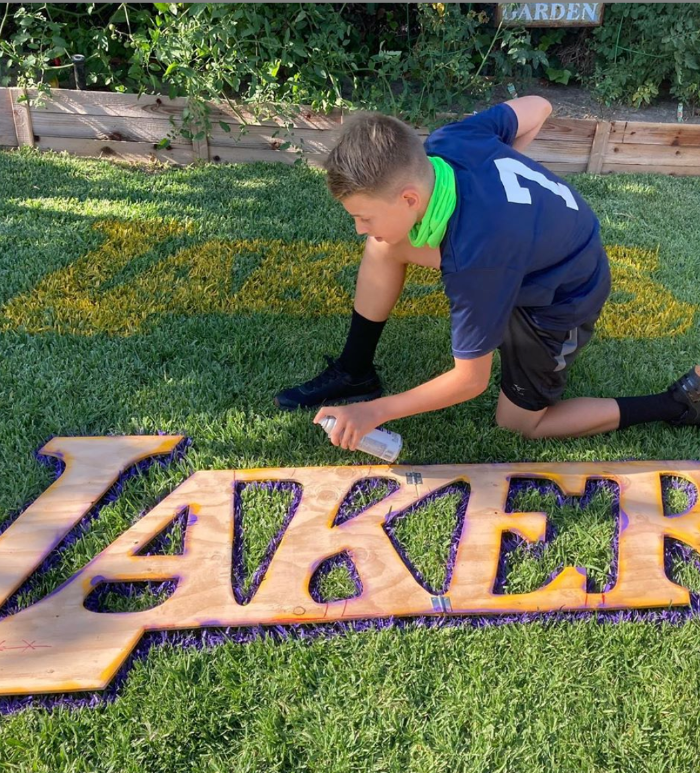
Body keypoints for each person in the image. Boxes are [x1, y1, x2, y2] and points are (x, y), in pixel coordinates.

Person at [274, 96, 700, 451]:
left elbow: (469, 381)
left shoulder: (476, 257)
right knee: (383, 245)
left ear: (408, 198)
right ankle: (355, 370)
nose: (357, 226)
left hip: (561, 295)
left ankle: (674, 403)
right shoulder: (450, 141)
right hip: (520, 252)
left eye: (363, 215)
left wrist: (376, 412)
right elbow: (539, 105)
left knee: (520, 425)